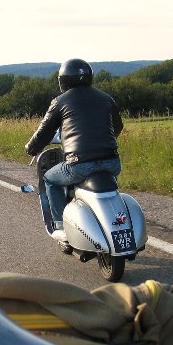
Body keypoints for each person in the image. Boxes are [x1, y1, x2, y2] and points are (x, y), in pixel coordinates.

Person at [25, 58, 123, 242]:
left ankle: (61, 226)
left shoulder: (60, 101)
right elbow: (117, 127)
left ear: (63, 80)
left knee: (50, 178)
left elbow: (43, 133)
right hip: (112, 162)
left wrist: (31, 148)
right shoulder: (106, 98)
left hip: (79, 164)